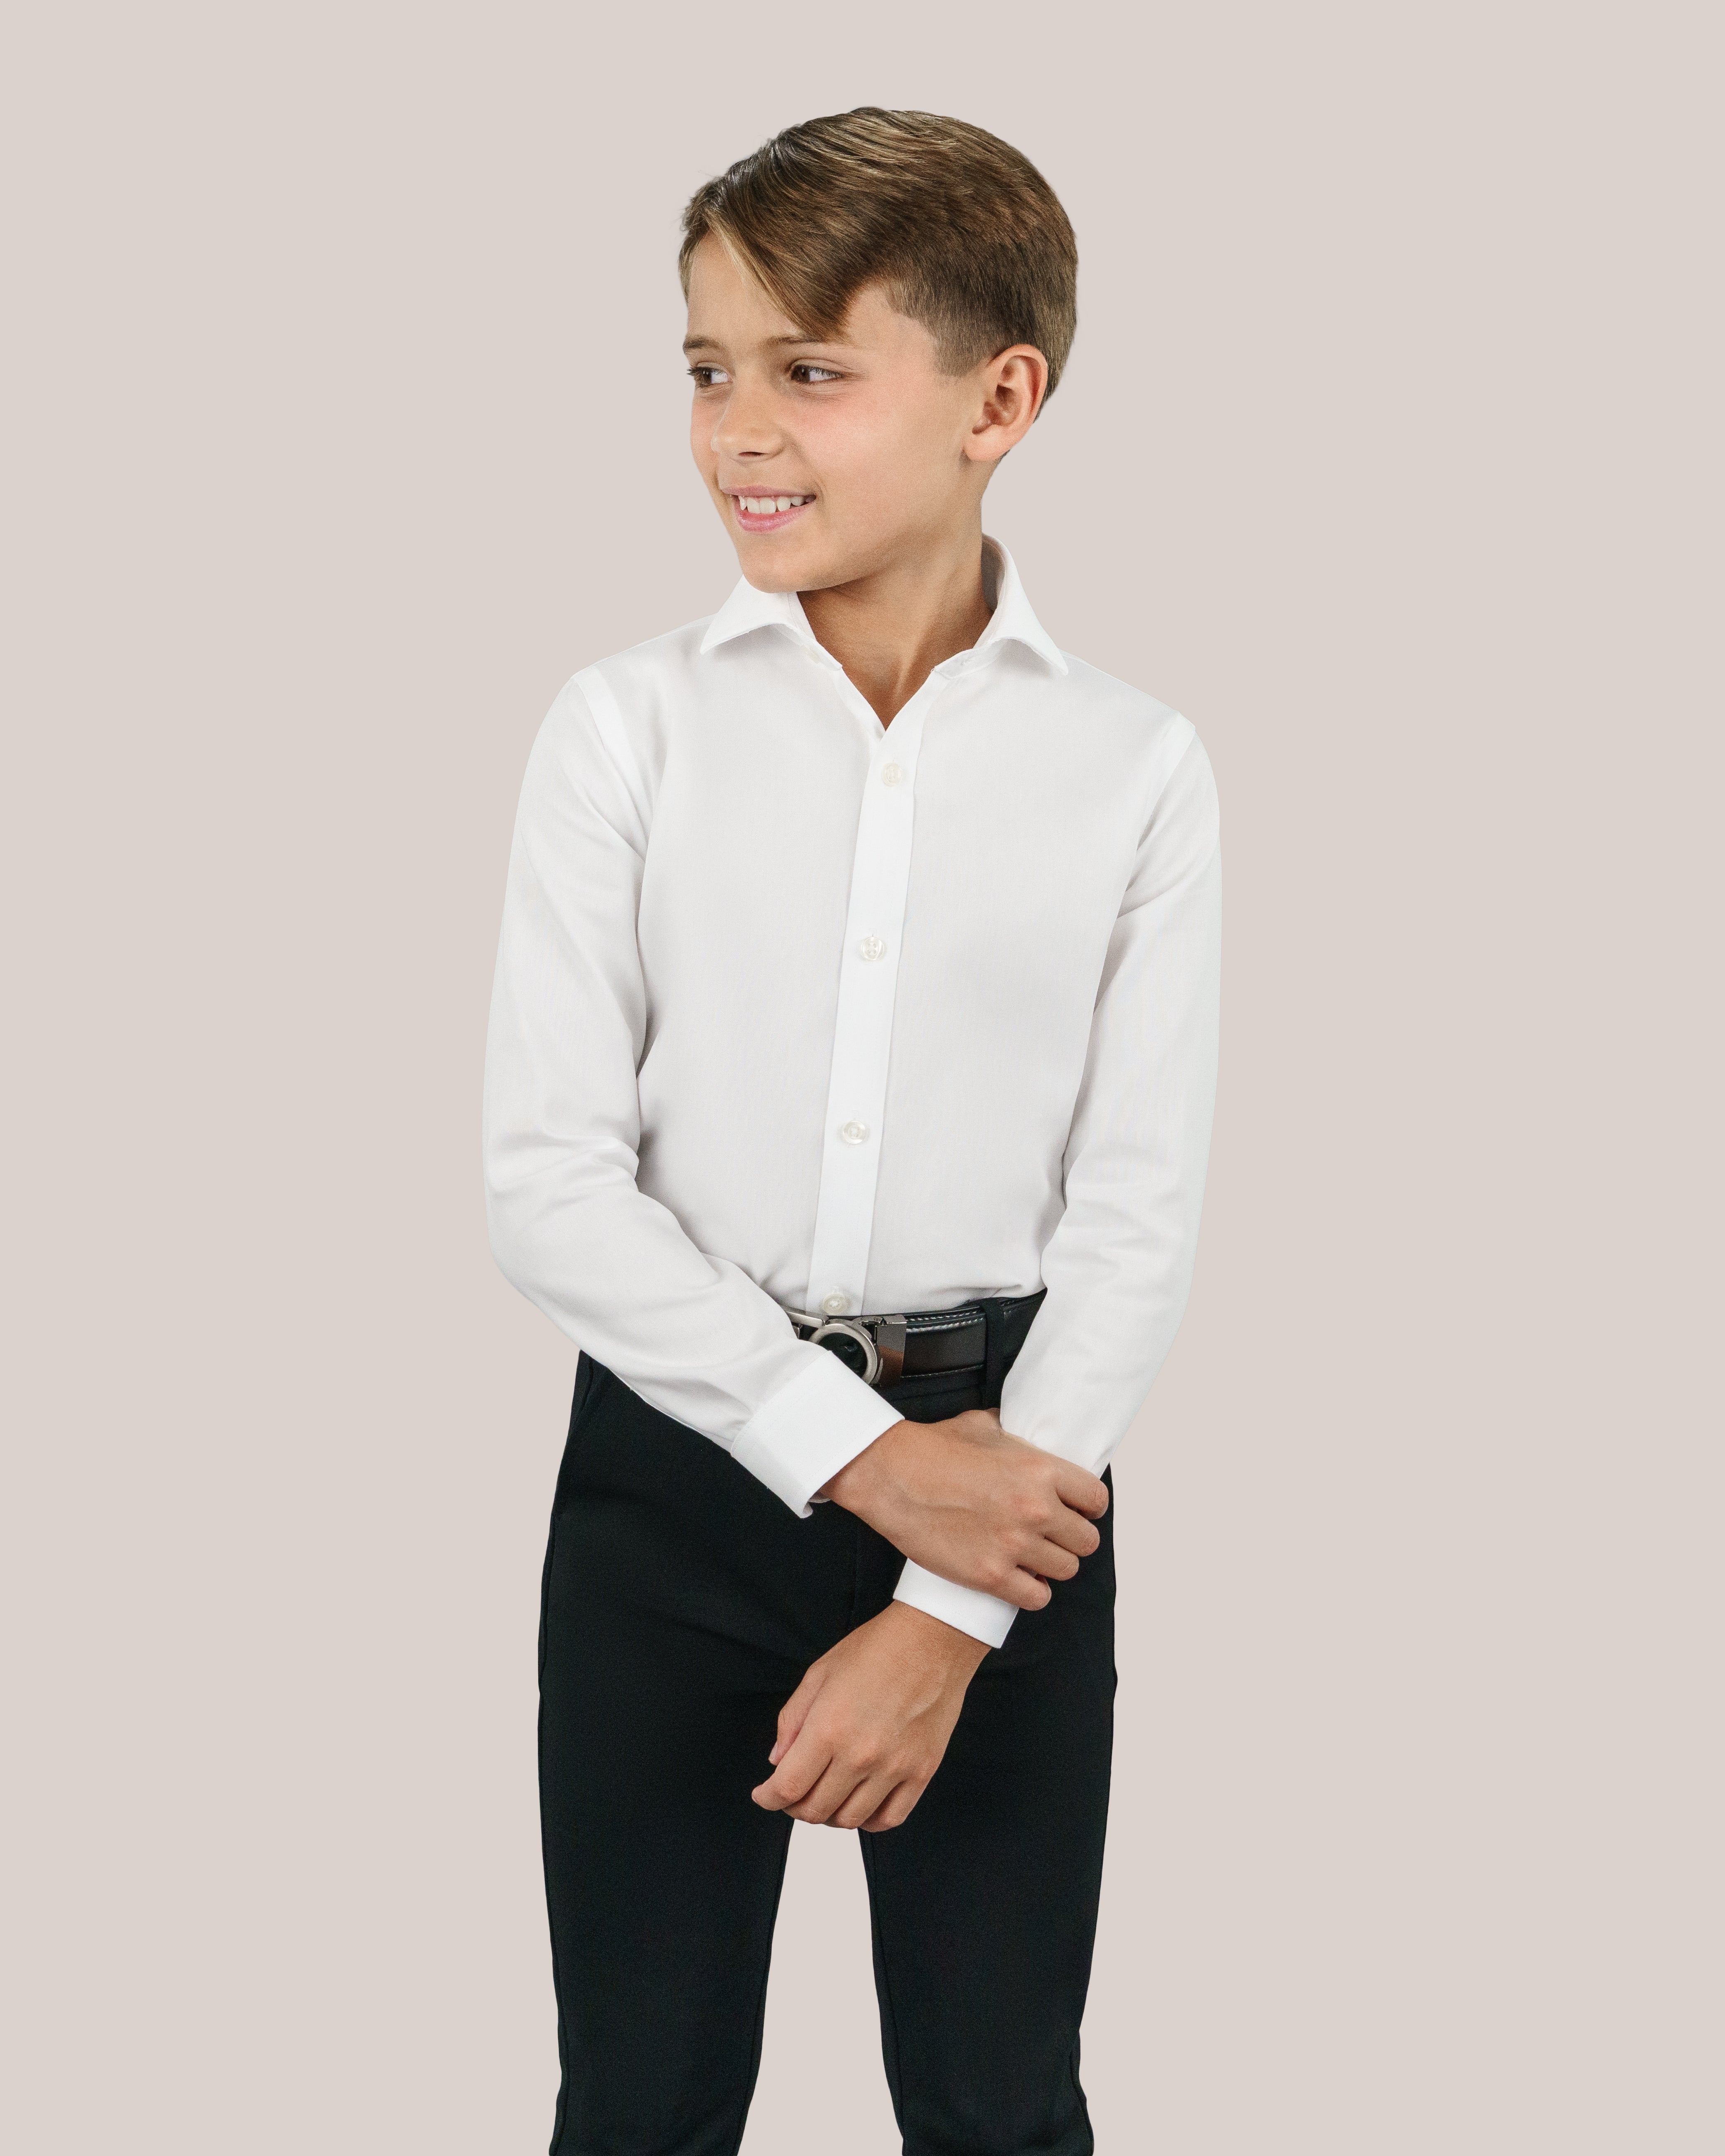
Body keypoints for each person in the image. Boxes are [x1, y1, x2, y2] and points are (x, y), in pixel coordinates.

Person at [483, 106, 1221, 2156]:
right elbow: (549, 1181)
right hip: (676, 1481)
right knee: (639, 2105)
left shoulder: (1135, 768)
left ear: (1002, 401)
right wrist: (872, 1463)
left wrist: (952, 1604)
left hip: (1019, 1480)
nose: (741, 427)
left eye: (810, 368)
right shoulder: (625, 729)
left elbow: (1135, 1220)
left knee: (1000, 2107)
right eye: (707, 367)